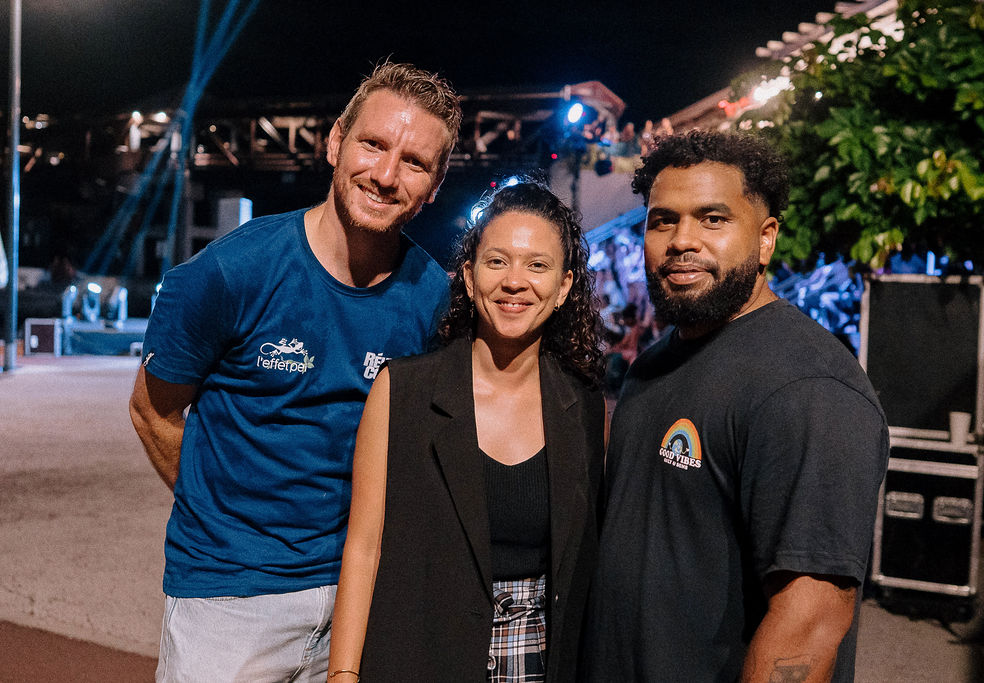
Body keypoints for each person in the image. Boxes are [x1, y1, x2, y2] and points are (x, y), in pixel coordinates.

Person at [127, 62, 462, 682]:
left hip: (361, 599)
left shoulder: (432, 299)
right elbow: (153, 411)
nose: (386, 175)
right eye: (373, 144)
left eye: (415, 162)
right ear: (335, 142)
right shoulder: (230, 272)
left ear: (435, 186)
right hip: (229, 600)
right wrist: (226, 522)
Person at [583, 130, 889, 682]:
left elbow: (810, 622)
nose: (682, 240)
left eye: (712, 219)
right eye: (663, 221)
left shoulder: (809, 389)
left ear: (766, 239)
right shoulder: (652, 365)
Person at [328, 182, 606, 682]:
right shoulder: (403, 391)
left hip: (540, 662)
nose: (515, 282)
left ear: (564, 287)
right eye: (497, 261)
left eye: (537, 265)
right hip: (420, 658)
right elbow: (364, 548)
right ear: (470, 277)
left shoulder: (582, 404)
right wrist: (343, 675)